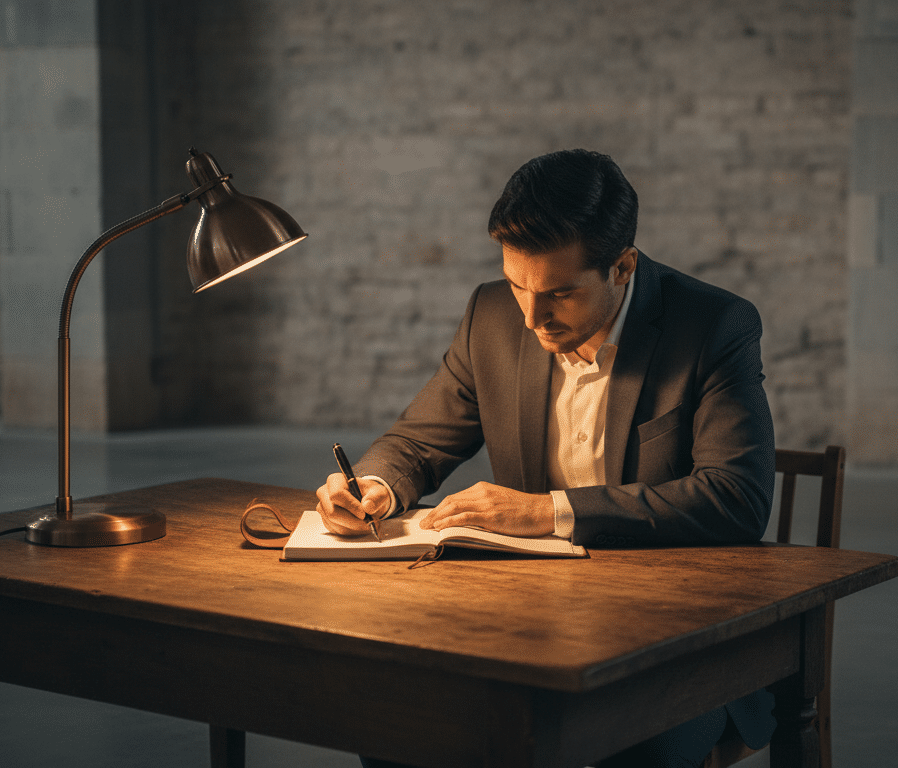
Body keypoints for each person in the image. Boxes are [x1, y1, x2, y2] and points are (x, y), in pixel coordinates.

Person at [316, 148, 776, 768]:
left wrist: (546, 512)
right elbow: (418, 441)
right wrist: (373, 484)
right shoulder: (493, 315)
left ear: (622, 266)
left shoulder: (713, 325)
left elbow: (736, 499)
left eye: (559, 292)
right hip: (532, 627)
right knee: (400, 730)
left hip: (677, 645)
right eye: (516, 284)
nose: (531, 315)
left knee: (626, 752)